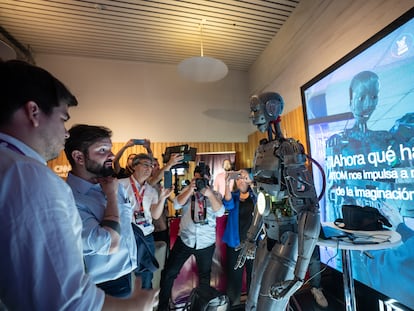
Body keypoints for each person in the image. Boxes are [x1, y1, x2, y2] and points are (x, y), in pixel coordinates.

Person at [0, 59, 157, 310]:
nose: (64, 134)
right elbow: (63, 299)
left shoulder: (108, 185)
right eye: (63, 119)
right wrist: (135, 306)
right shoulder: (29, 176)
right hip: (100, 285)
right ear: (33, 112)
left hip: (126, 271)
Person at [64, 124, 138, 298]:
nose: (111, 155)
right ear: (79, 157)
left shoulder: (112, 184)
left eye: (110, 149)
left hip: (128, 273)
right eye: (102, 150)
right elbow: (109, 243)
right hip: (101, 286)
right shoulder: (69, 199)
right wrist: (111, 197)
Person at [158, 163, 225, 311]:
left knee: (204, 278)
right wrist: (190, 189)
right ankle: (162, 307)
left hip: (206, 243)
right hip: (185, 240)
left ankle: (201, 307)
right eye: (197, 180)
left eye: (203, 180)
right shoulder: (188, 192)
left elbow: (220, 212)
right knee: (169, 273)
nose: (200, 183)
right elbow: (176, 205)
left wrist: (208, 194)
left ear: (209, 180)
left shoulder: (215, 194)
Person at [119, 153, 173, 289]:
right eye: (145, 165)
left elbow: (155, 215)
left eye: (151, 165)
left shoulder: (151, 191)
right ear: (134, 166)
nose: (149, 168)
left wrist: (162, 198)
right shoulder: (120, 185)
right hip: (126, 236)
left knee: (146, 275)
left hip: (146, 236)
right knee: (123, 274)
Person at [222, 168, 256, 306]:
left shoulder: (255, 195)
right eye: (238, 177)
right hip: (235, 243)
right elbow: (228, 204)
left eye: (244, 177)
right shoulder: (234, 196)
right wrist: (226, 183)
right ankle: (233, 305)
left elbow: (263, 202)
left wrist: (252, 182)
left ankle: (253, 306)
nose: (241, 180)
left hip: (253, 244)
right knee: (234, 279)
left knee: (253, 277)